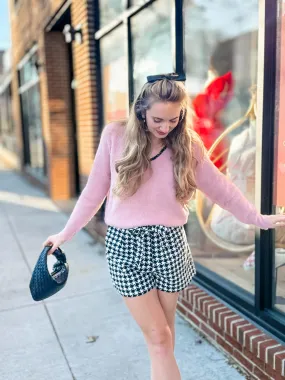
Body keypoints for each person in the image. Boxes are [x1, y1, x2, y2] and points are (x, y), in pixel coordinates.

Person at [43, 73, 285, 380]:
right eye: (158, 119)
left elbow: (221, 188)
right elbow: (93, 193)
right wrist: (65, 234)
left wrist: (257, 218)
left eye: (173, 120)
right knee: (159, 337)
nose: (165, 127)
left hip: (170, 245)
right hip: (125, 248)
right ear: (141, 109)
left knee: (164, 337)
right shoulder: (115, 136)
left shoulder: (187, 145)